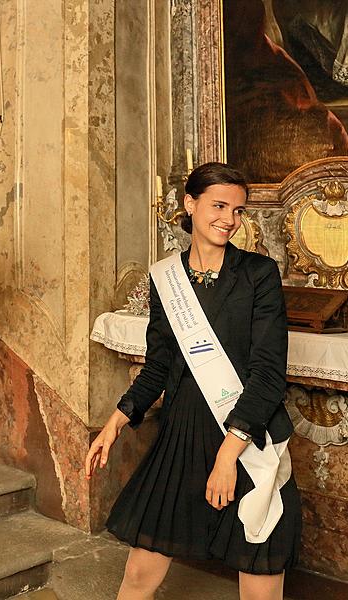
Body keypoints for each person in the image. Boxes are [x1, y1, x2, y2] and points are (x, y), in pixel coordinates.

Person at [85, 162, 301, 600]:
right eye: (219, 205)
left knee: (261, 579)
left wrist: (227, 456)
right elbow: (157, 368)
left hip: (245, 438)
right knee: (138, 578)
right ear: (190, 204)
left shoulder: (258, 275)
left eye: (238, 210)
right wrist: (115, 423)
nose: (229, 219)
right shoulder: (166, 279)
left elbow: (267, 375)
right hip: (181, 436)